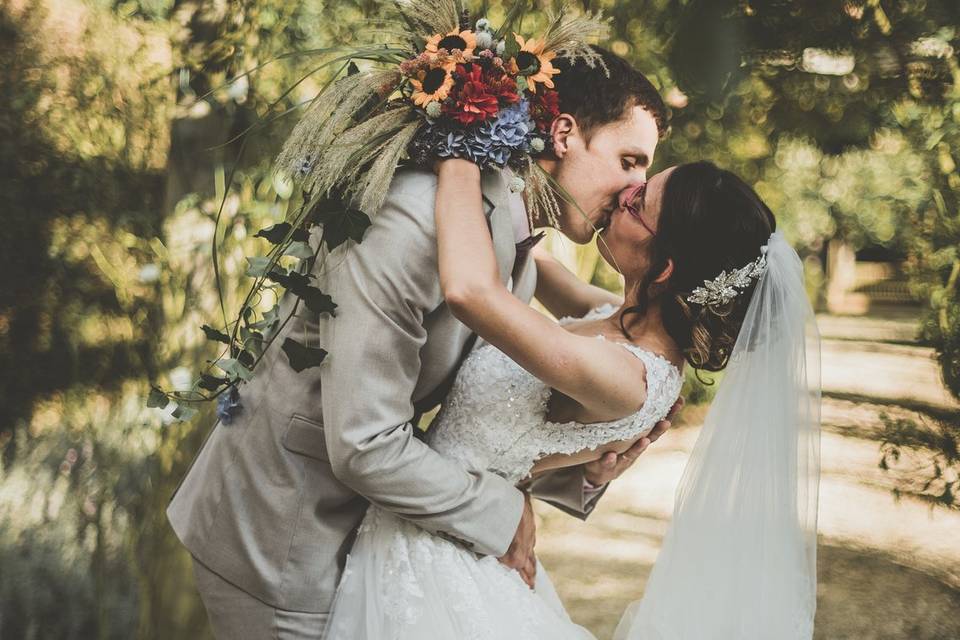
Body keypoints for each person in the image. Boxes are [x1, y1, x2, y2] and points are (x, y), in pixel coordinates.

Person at [166, 46, 675, 640]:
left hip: (378, 534)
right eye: (630, 160)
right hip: (283, 534)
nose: (633, 191)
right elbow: (363, 442)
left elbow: (489, 409)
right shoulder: (411, 219)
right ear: (564, 133)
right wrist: (500, 512)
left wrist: (587, 455)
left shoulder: (514, 241)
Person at [321, 160, 820, 639]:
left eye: (640, 203)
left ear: (665, 269)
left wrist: (461, 156)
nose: (627, 191)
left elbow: (472, 290)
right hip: (437, 516)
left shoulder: (628, 377)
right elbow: (521, 250)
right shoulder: (615, 317)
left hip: (435, 551)